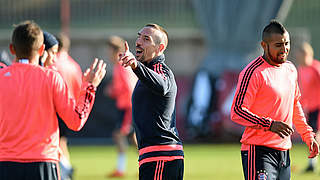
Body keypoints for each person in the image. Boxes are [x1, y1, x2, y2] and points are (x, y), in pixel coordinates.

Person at [0, 20, 106, 180]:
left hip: (5, 164)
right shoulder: (51, 77)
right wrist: (89, 87)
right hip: (43, 163)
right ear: (42, 49)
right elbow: (76, 121)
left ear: (12, 49)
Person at [230, 20, 319, 180]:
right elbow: (237, 111)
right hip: (258, 152)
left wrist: (308, 135)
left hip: (284, 152)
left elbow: (294, 105)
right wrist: (269, 124)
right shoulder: (253, 72)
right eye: (278, 45)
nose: (284, 49)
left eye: (287, 43)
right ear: (264, 45)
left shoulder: (290, 69)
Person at [119, 23, 184, 180]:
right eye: (139, 36)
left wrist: (135, 65)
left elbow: (162, 85)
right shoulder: (145, 74)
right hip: (153, 155)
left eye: (146, 39)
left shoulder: (161, 70)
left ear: (160, 48)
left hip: (161, 155)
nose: (139, 42)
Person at [105, 36, 138, 178]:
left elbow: (129, 87)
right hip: (126, 106)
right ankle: (146, 163)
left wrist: (112, 90)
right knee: (133, 138)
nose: (108, 54)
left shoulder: (121, 67)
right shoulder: (120, 66)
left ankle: (120, 168)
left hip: (127, 107)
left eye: (109, 51)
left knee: (118, 135)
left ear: (115, 51)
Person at [295, 42, 320, 172]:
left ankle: (312, 163)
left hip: (318, 107)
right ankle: (312, 163)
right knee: (312, 134)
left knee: (314, 134)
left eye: (302, 54)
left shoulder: (316, 68)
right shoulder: (301, 69)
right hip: (311, 109)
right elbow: (302, 91)